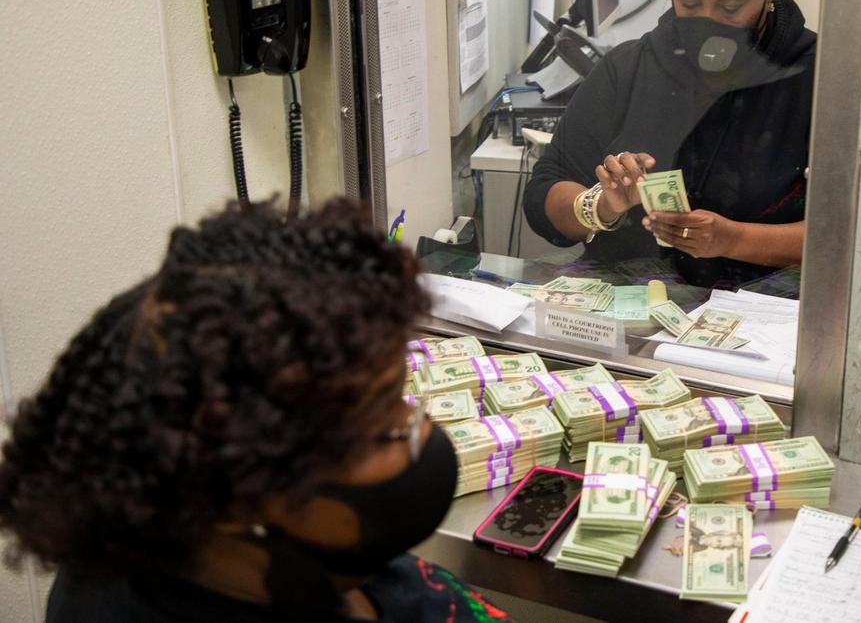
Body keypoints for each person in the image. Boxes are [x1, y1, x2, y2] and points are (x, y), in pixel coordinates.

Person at [0, 200, 512, 623]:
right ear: (235, 498)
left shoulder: (303, 564)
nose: (419, 426)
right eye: (378, 427)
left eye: (400, 400)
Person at [524, 0, 816, 289]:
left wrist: (735, 240)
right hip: (631, 299)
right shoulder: (630, 67)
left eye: (730, 8)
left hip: (759, 306)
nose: (707, 25)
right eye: (689, 2)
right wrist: (601, 206)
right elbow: (544, 195)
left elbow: (851, 234)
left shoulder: (819, 78)